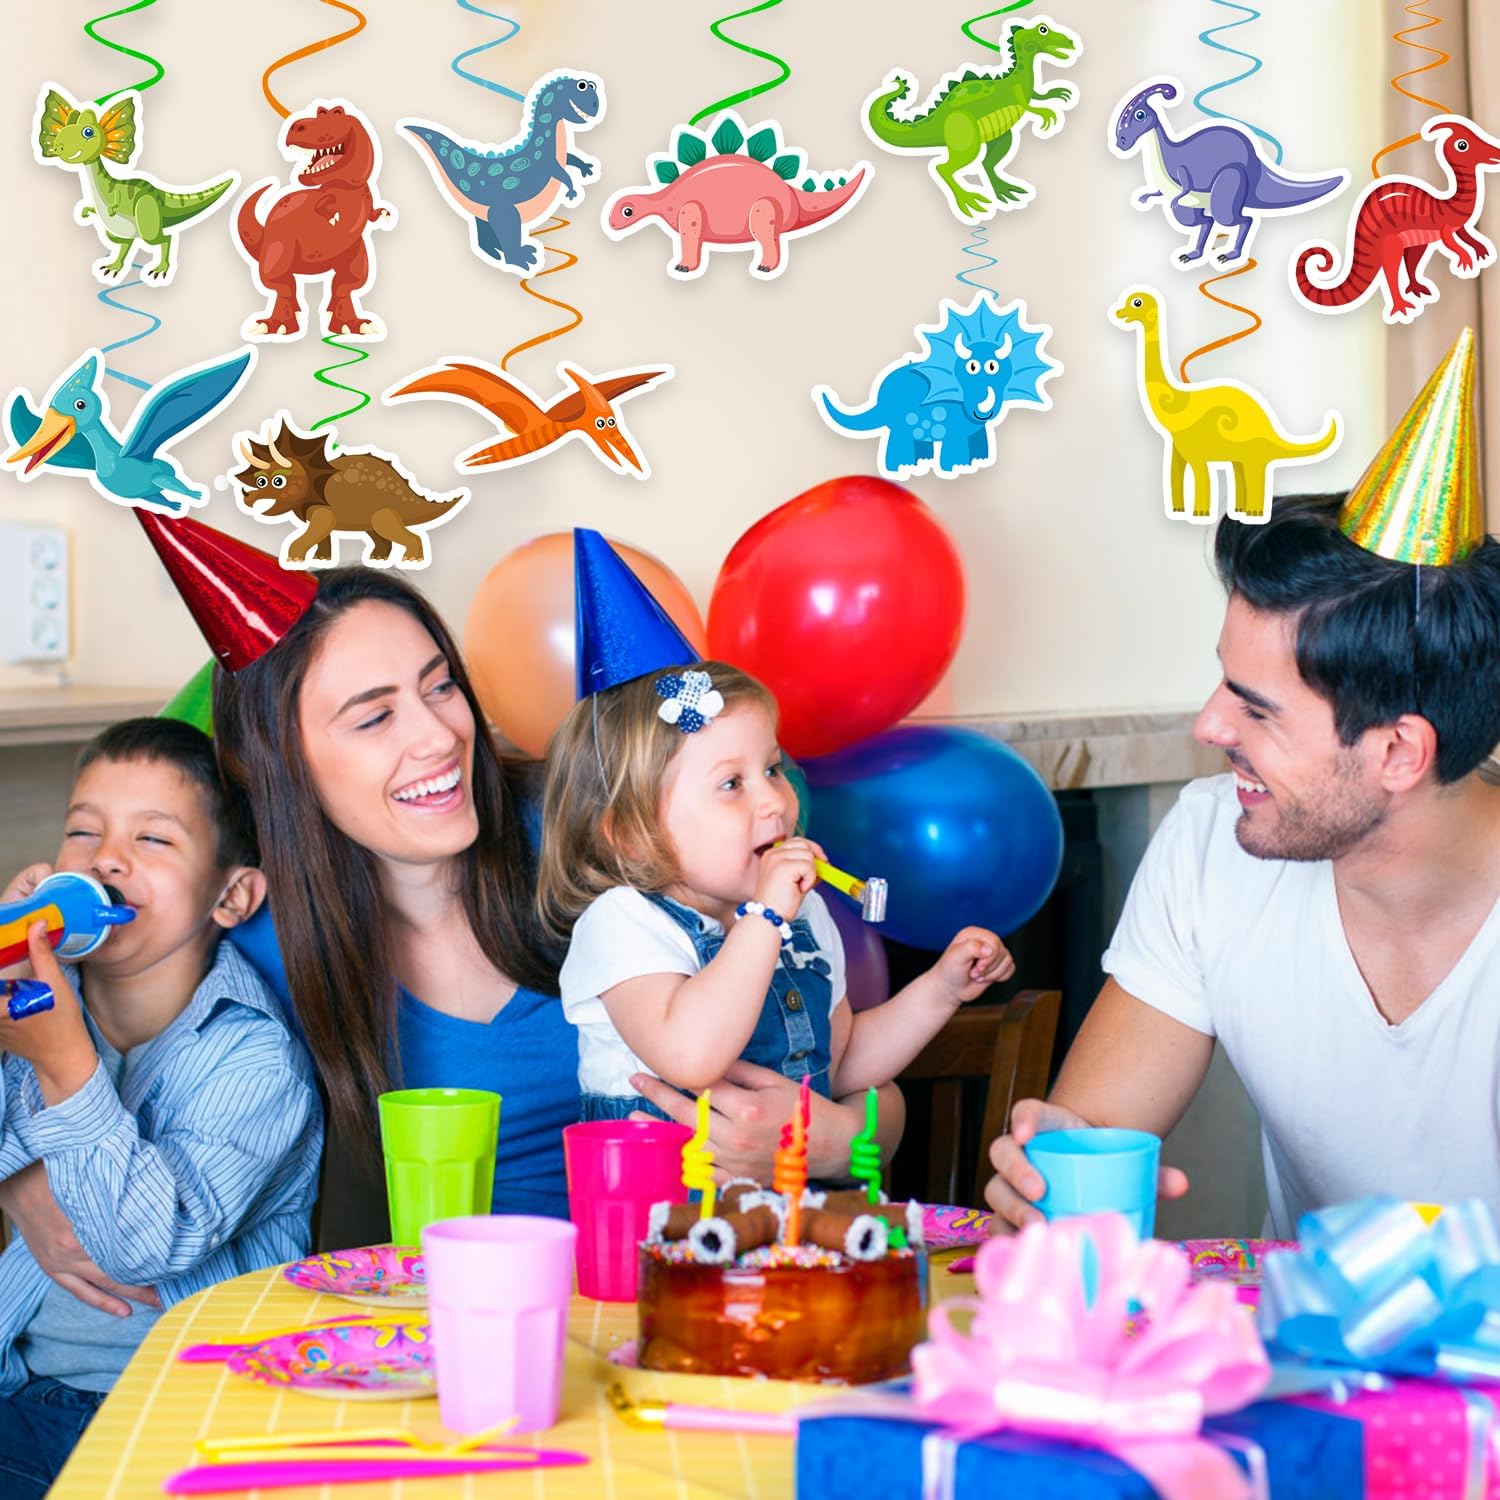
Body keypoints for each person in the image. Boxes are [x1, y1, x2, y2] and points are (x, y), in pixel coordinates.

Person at [985, 331, 1500, 1239]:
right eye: (1224, 682)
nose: (1210, 726)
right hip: (1303, 1329)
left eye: (1256, 710)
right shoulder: (1209, 842)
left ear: (1399, 753)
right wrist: (1050, 1172)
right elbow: (1090, 1131)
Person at [541, 528, 1014, 1125]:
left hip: (783, 1186)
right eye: (731, 784)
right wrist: (765, 919)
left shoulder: (802, 917)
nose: (774, 800)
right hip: (658, 1187)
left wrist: (940, 989)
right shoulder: (624, 923)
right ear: (633, 836)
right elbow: (689, 1056)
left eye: (771, 769)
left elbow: (841, 1064)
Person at [0, 718, 321, 1500]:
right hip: (24, 1387)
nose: (106, 858)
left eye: (152, 839)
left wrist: (64, 1066)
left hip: (179, 1412)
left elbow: (140, 1243)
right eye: (83, 831)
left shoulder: (253, 1059)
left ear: (231, 895)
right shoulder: (34, 1008)